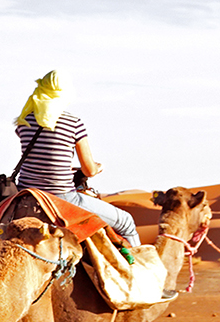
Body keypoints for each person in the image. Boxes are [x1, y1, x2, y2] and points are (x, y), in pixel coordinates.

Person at [12, 71, 141, 245]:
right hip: (61, 197)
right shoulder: (73, 123)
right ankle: (136, 269)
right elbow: (89, 170)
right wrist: (98, 167)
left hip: (25, 195)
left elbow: (42, 155)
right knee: (126, 222)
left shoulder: (23, 122)